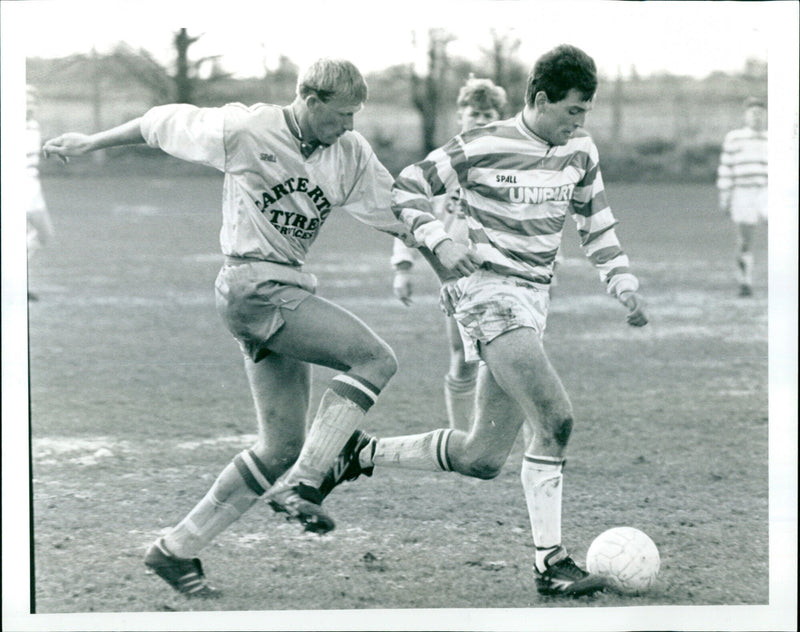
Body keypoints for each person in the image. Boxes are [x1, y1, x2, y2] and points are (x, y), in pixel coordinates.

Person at [43, 58, 419, 598]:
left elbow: (399, 209)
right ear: (310, 102)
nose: (351, 126)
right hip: (250, 287)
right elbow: (158, 123)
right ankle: (308, 485)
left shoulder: (349, 152)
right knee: (375, 360)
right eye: (342, 114)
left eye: (356, 116)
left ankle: (175, 549)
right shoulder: (246, 128)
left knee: (280, 446)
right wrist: (89, 142)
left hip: (283, 290)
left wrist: (452, 235)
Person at [322, 44, 650, 597]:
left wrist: (622, 282)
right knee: (555, 418)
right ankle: (551, 563)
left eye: (586, 112)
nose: (580, 121)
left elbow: (596, 223)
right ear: (541, 100)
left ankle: (359, 452)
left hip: (534, 300)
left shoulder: (580, 152)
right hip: (485, 294)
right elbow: (406, 187)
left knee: (482, 458)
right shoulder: (482, 143)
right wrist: (439, 240)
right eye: (573, 110)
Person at [390, 76, 519, 434]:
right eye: (474, 113)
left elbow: (530, 223)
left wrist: (547, 270)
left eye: (488, 114)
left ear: (500, 118)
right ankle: (462, 436)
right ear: (460, 116)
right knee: (463, 357)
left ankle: (526, 438)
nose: (480, 120)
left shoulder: (510, 167)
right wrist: (403, 267)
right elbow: (409, 214)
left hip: (505, 276)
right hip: (456, 277)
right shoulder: (441, 165)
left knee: (515, 357)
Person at [716, 96, 768, 297]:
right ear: (746, 116)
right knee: (744, 240)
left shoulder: (775, 138)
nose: (757, 117)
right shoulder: (734, 138)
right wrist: (725, 195)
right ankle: (745, 282)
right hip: (742, 192)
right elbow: (726, 168)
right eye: (753, 113)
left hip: (768, 191)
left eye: (760, 113)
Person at [25, 84, 55, 301]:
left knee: (44, 234)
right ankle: (16, 283)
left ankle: (14, 275)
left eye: (33, 101)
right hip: (12, 191)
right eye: (25, 100)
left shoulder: (34, 126)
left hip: (33, 188)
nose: (30, 105)